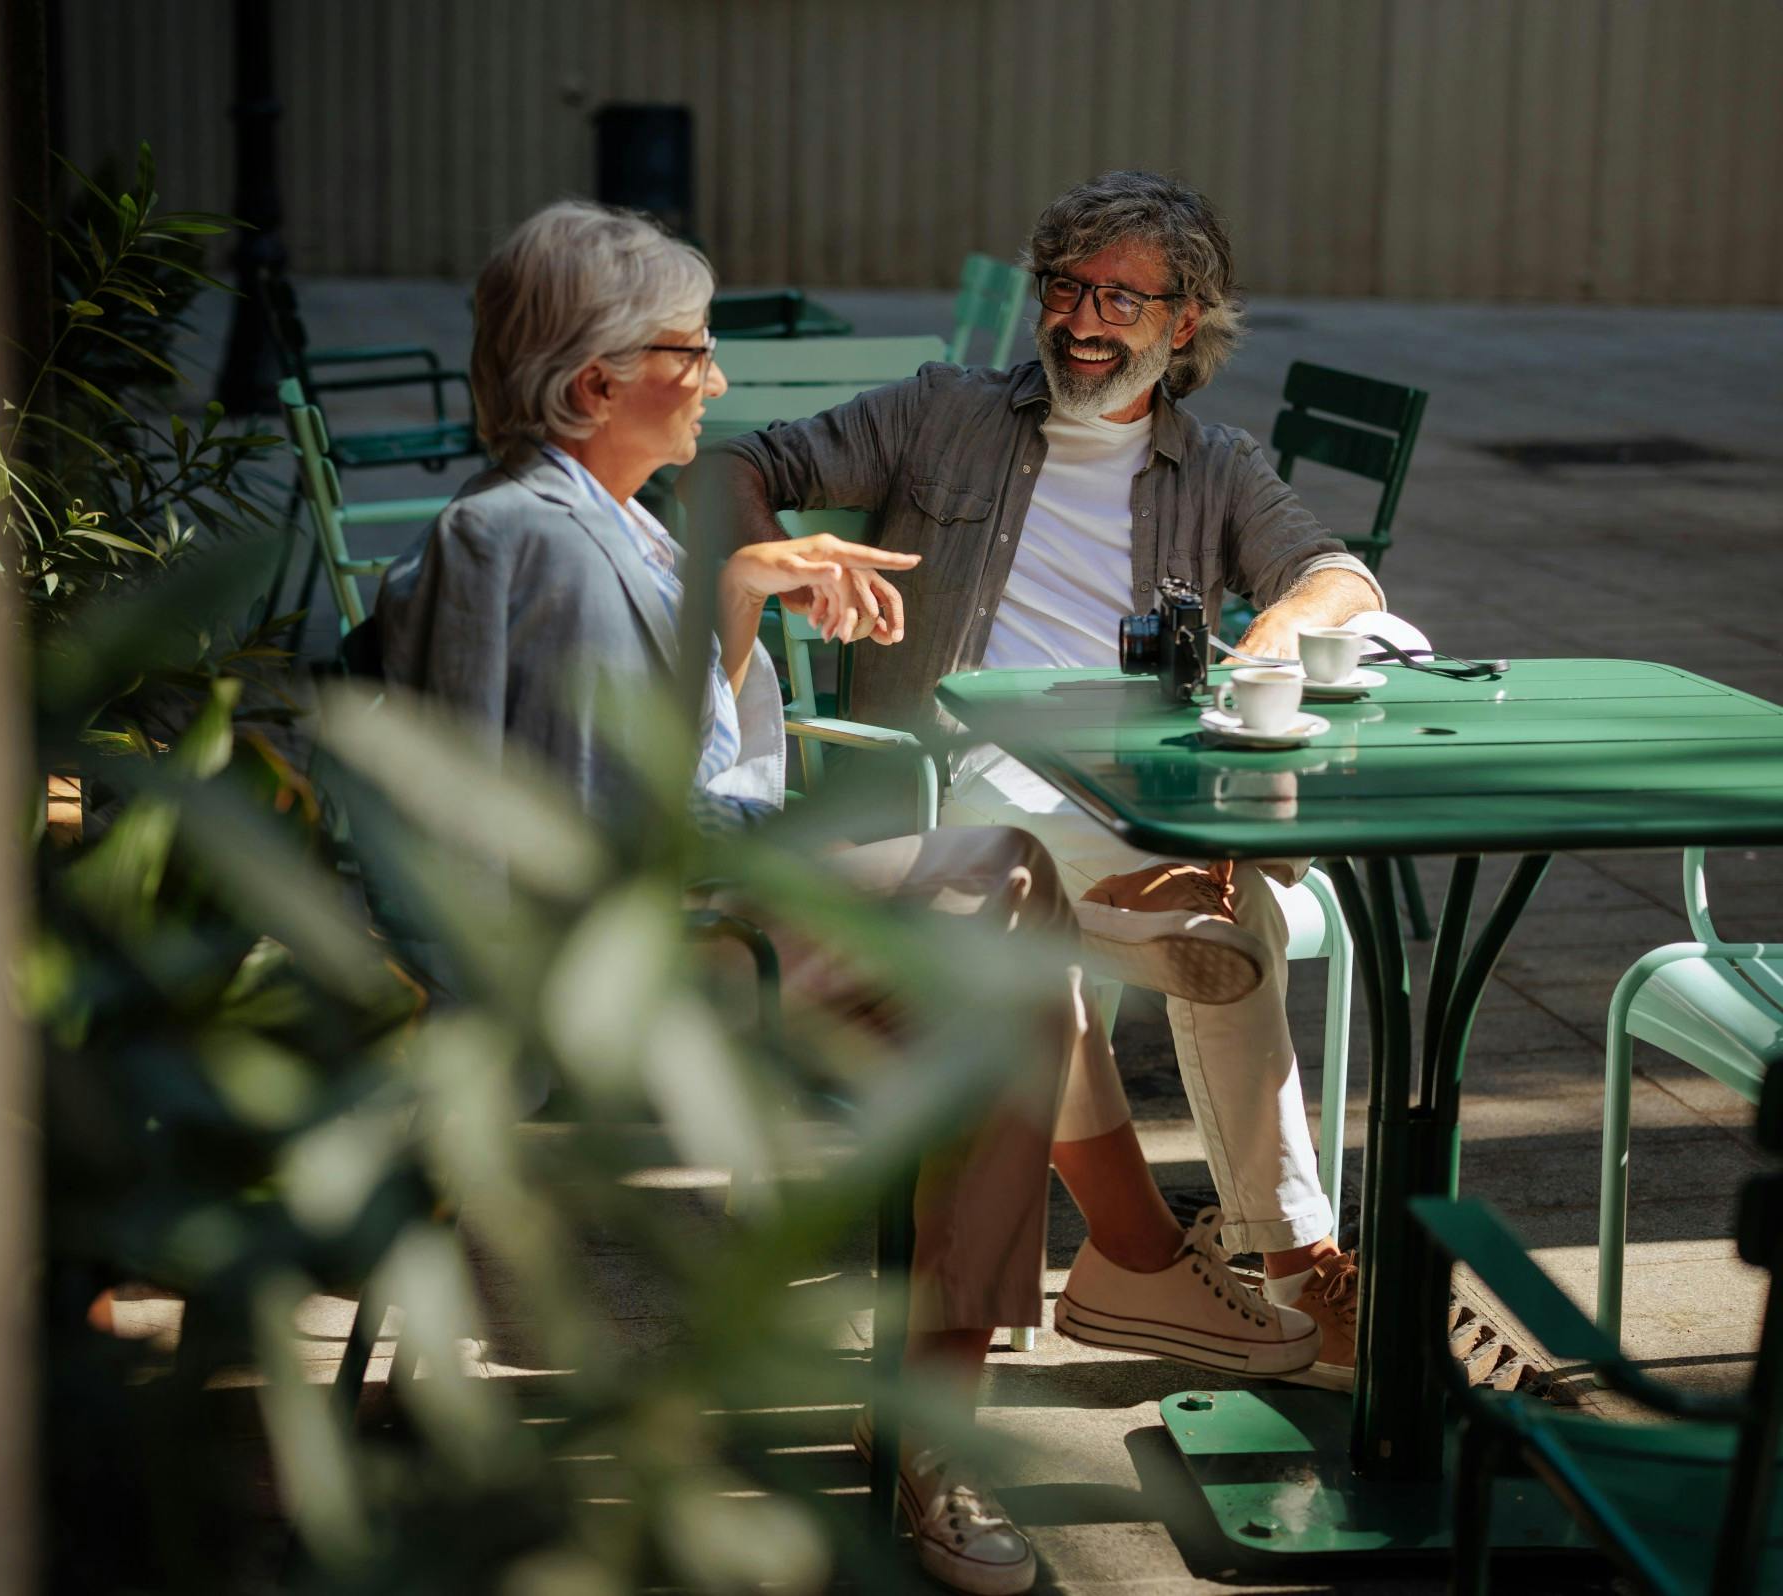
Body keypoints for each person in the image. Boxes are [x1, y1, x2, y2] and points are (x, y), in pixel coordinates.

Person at [375, 200, 1317, 1596]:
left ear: (1184, 327)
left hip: (697, 917)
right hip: (622, 976)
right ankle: (976, 1398)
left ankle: (1035, 1325)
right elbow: (572, 848)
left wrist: (744, 596)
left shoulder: (600, 528)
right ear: (594, 386)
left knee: (1003, 954)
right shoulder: (540, 547)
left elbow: (676, 772)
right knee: (1000, 910)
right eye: (694, 354)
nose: (721, 381)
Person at [682, 171, 1387, 1390]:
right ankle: (1282, 1258)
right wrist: (765, 554)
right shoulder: (942, 411)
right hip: (943, 789)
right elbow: (736, 461)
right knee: (1209, 912)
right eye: (1064, 286)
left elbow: (1339, 577)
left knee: (1241, 925)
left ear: (1184, 322)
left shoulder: (1215, 465)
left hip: (1119, 794)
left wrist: (1277, 630)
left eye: (1121, 295)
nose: (1081, 318)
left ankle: (1284, 1258)